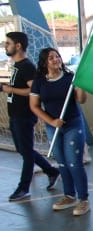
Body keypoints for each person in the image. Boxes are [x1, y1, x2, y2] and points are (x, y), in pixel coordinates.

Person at [29, 48, 90, 215]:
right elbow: (34, 106)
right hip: (53, 126)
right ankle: (69, 196)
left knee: (74, 163)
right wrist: (52, 122)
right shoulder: (39, 82)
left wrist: (81, 86)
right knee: (62, 162)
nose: (56, 60)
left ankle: (83, 199)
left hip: (72, 124)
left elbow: (82, 100)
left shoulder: (70, 78)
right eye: (51, 58)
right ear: (44, 62)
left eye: (57, 56)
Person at [1, 32, 60, 201]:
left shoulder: (27, 66)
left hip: (24, 115)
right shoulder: (17, 65)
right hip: (15, 114)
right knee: (23, 149)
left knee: (26, 152)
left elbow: (33, 90)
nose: (6, 46)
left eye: (8, 43)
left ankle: (23, 187)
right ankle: (51, 171)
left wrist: (9, 89)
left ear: (18, 46)